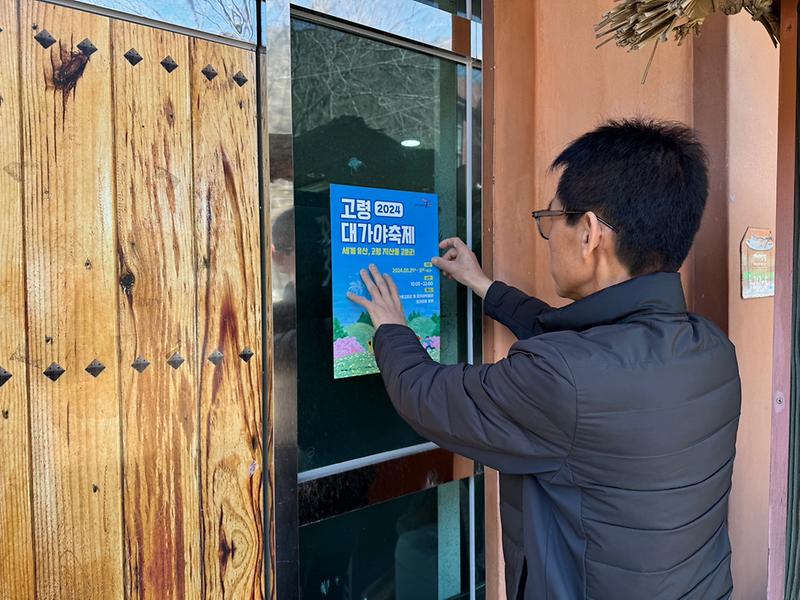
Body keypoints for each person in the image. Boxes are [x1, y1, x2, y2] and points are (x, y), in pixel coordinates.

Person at [347, 118, 741, 599]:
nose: (548, 234)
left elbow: (425, 394)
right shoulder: (711, 348)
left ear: (589, 232)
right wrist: (483, 285)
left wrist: (391, 327)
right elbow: (581, 344)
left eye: (550, 220)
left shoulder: (567, 378)